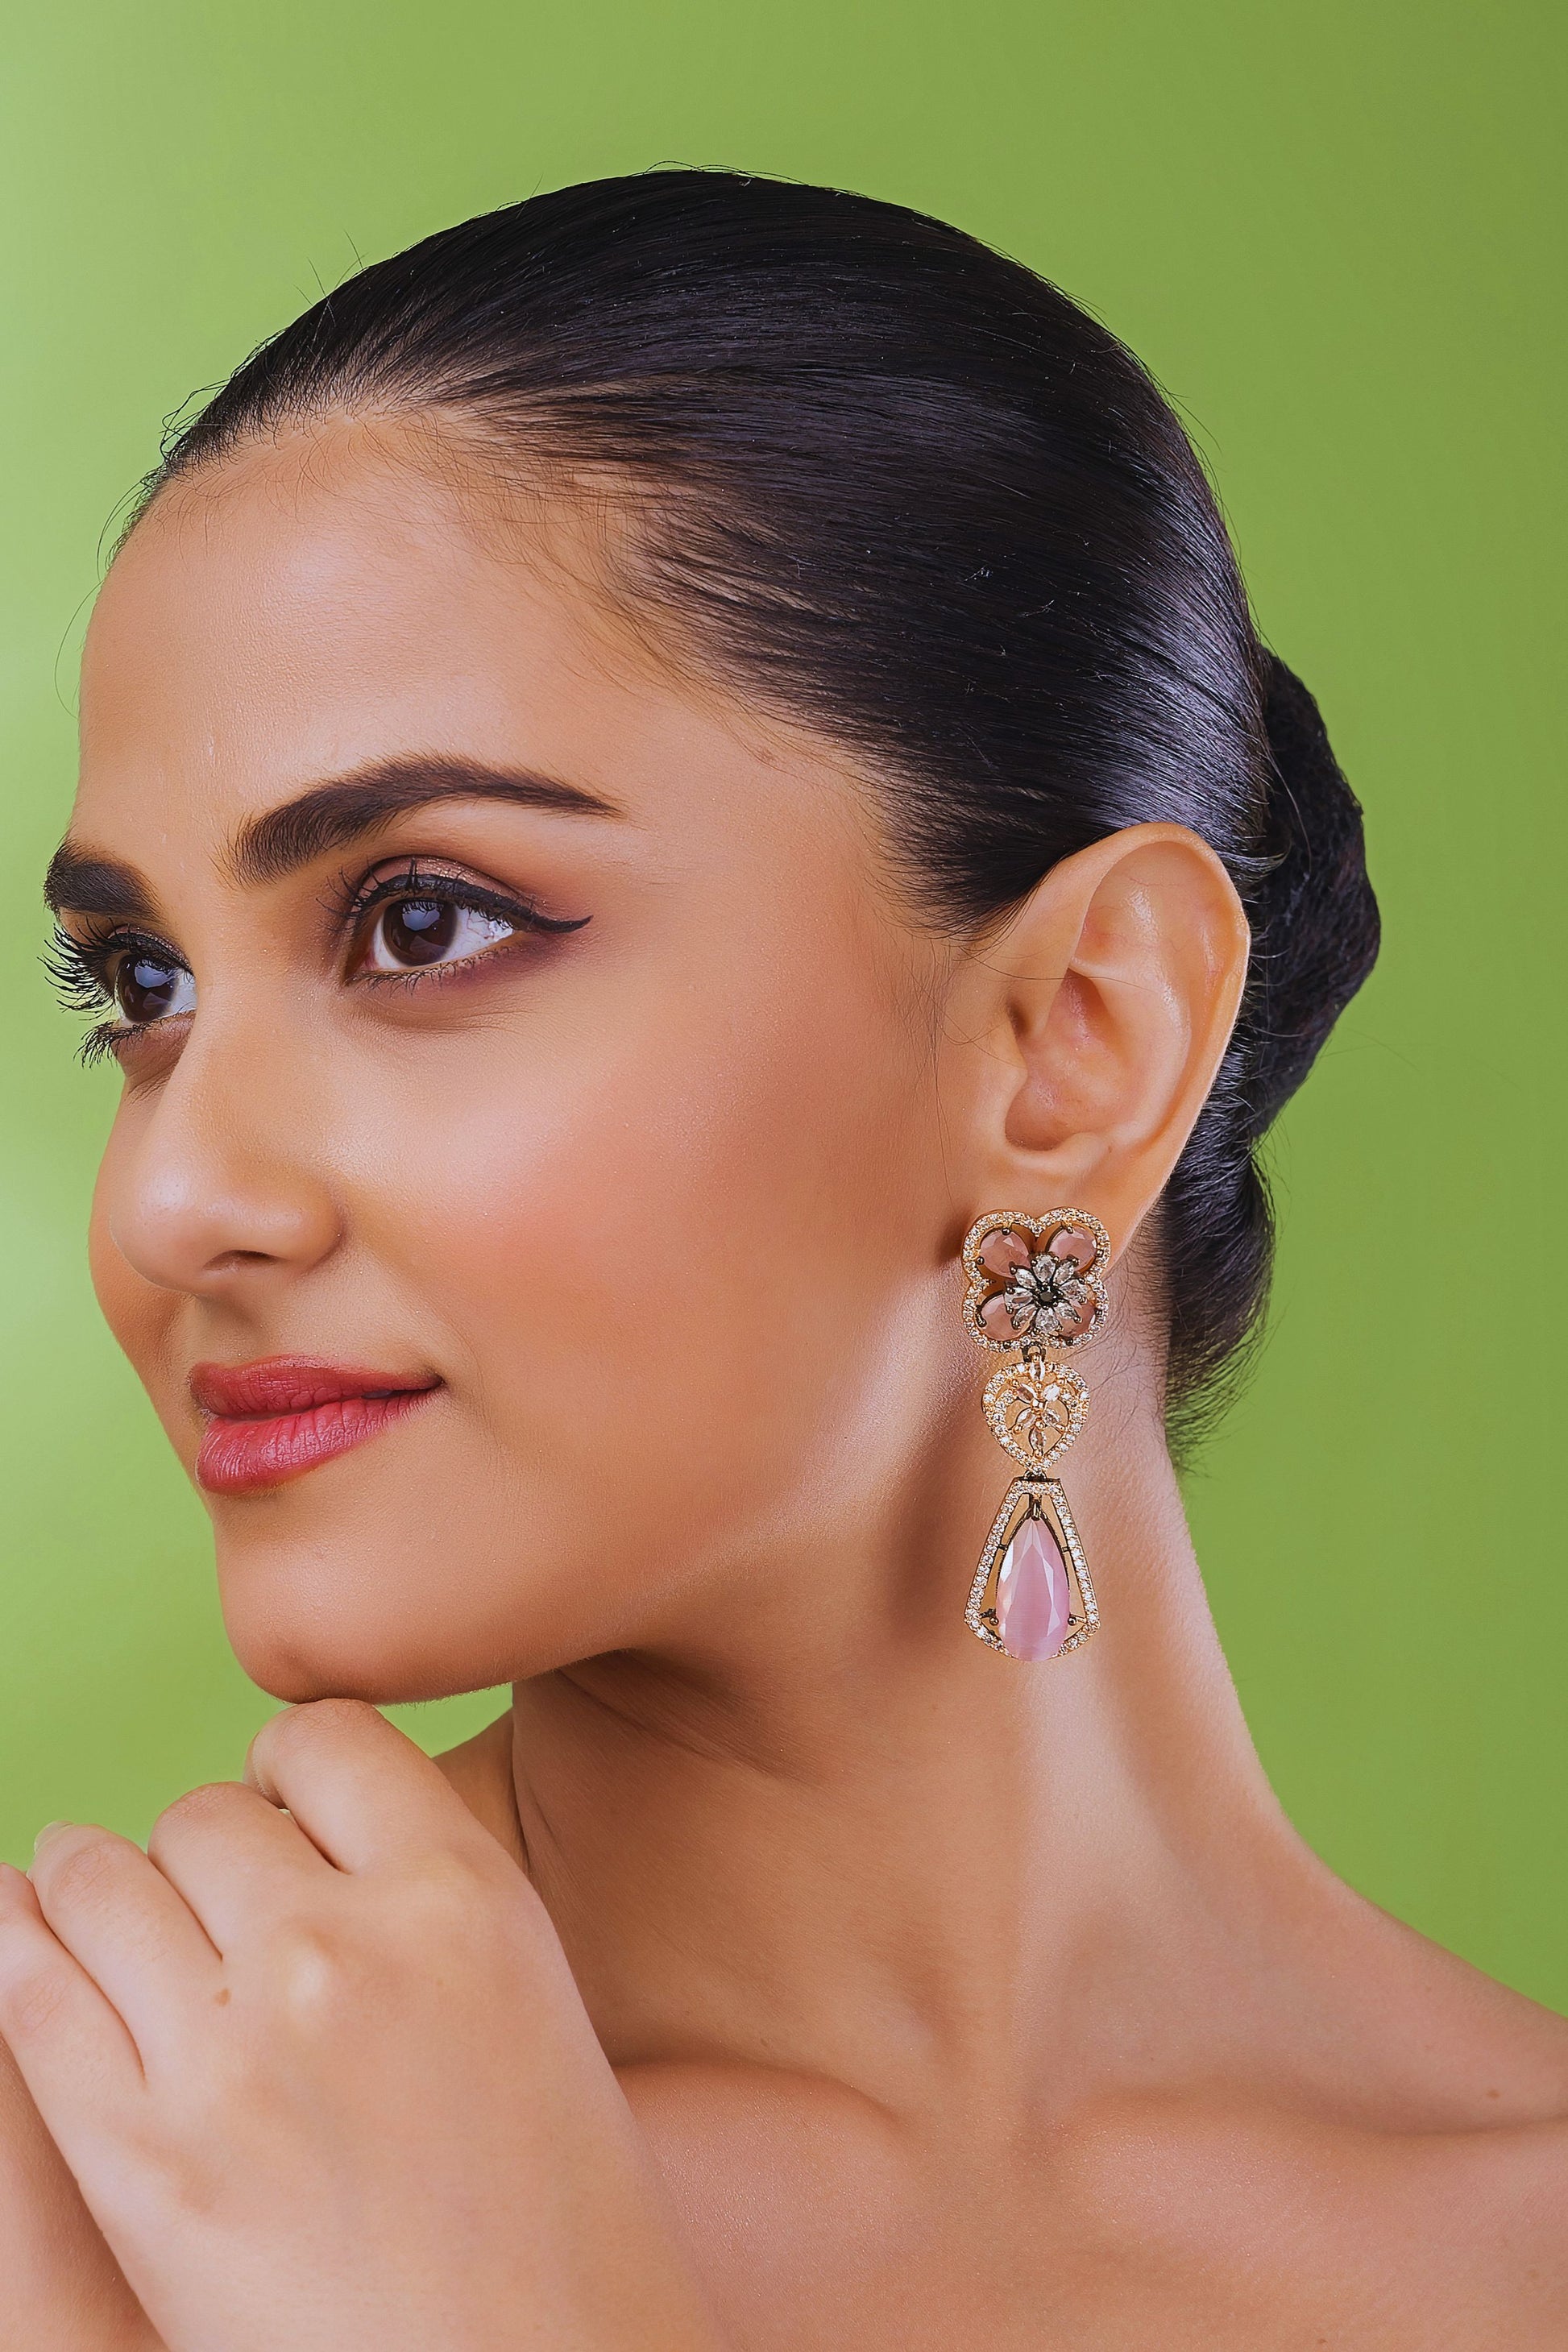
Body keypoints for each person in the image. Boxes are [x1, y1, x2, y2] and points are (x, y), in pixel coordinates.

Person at [0, 169, 1562, 2351]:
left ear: (1070, 1045)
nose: (172, 1205)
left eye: (424, 921)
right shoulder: (73, 2185)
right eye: (141, 991)